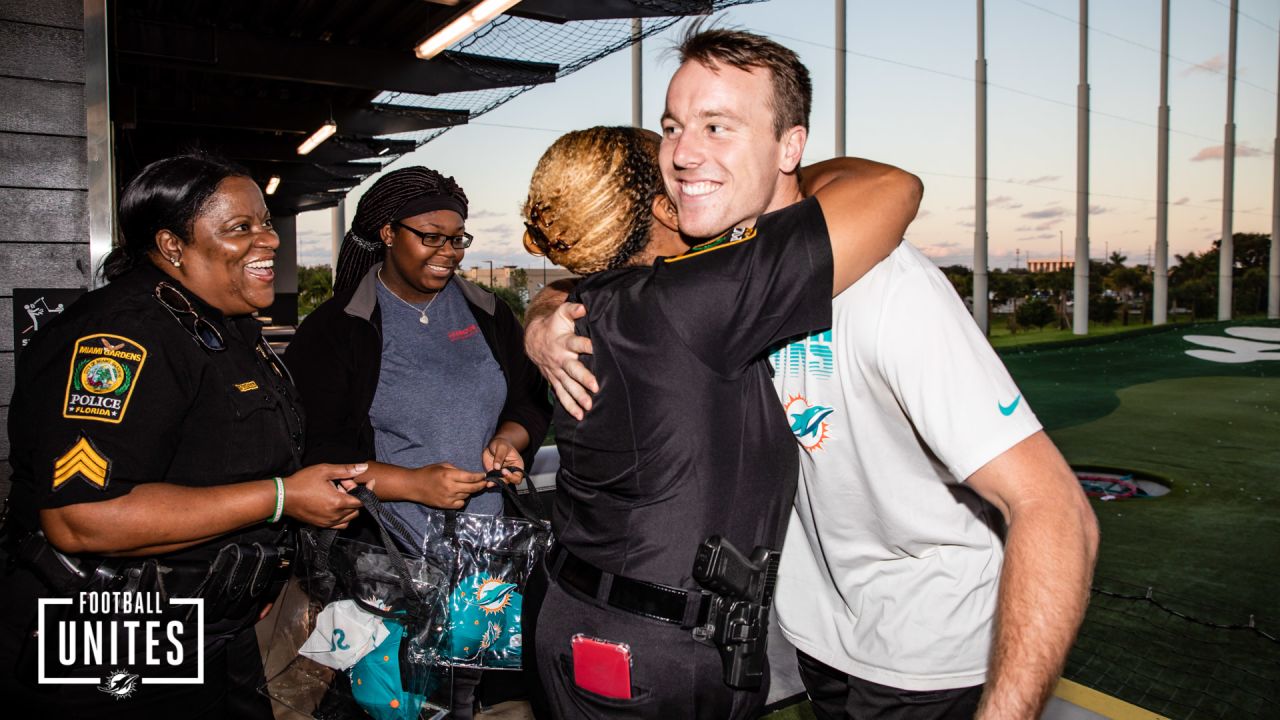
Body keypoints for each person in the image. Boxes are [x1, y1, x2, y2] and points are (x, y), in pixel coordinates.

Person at [526, 29, 1100, 720]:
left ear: (790, 147)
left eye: (719, 126)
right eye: (673, 127)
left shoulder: (886, 284)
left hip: (925, 655)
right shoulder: (712, 278)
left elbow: (1055, 509)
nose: (681, 153)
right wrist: (547, 307)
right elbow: (621, 285)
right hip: (817, 638)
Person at [520, 117, 919, 718]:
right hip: (654, 652)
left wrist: (538, 311)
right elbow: (894, 188)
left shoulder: (587, 304)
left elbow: (562, 289)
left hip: (574, 610)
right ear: (663, 205)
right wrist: (761, 181)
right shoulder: (692, 299)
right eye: (677, 172)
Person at [0, 153, 370, 719]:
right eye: (239, 228)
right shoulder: (121, 335)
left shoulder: (225, 325)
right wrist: (282, 498)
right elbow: (81, 518)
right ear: (173, 246)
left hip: (213, 625)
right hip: (115, 631)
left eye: (265, 221)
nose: (268, 240)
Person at [285, 165, 551, 718]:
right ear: (388, 232)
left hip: (488, 564)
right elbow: (315, 456)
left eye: (458, 239)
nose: (449, 252)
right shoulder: (336, 330)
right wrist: (413, 483)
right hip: (390, 571)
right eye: (431, 237)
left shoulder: (487, 311)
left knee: (495, 704)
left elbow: (530, 399)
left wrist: (510, 437)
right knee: (403, 705)